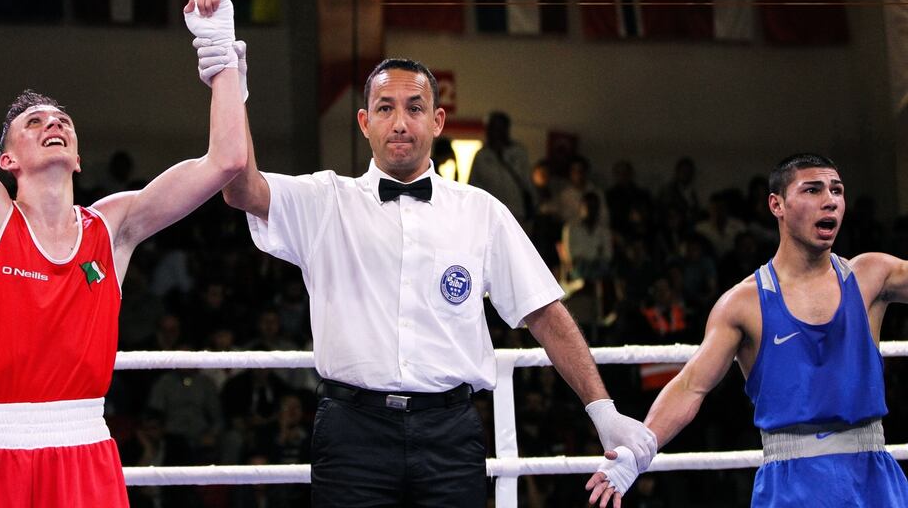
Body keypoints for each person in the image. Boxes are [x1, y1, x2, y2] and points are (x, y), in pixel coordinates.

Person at [221, 56, 657, 506]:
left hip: (449, 434)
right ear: (364, 121)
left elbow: (545, 312)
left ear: (437, 120)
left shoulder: (480, 211)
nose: (400, 123)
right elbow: (240, 189)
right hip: (352, 434)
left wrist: (604, 412)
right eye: (385, 108)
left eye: (414, 107)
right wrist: (230, 87)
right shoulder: (325, 200)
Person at [0, 0, 247, 505]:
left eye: (61, 119)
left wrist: (221, 53)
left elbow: (226, 162)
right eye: (32, 122)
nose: (51, 122)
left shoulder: (113, 228)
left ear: (77, 155)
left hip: (86, 451)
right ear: (6, 160)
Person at [586, 154, 908, 507]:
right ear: (777, 204)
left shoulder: (871, 275)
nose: (829, 200)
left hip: (874, 476)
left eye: (837, 190)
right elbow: (691, 385)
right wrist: (637, 452)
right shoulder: (743, 303)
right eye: (813, 190)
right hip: (792, 483)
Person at [467, 111, 537, 226]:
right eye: (493, 128)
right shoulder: (482, 156)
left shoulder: (518, 153)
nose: (496, 132)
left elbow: (527, 183)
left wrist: (532, 207)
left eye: (500, 128)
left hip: (516, 214)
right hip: (489, 216)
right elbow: (474, 186)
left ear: (506, 129)